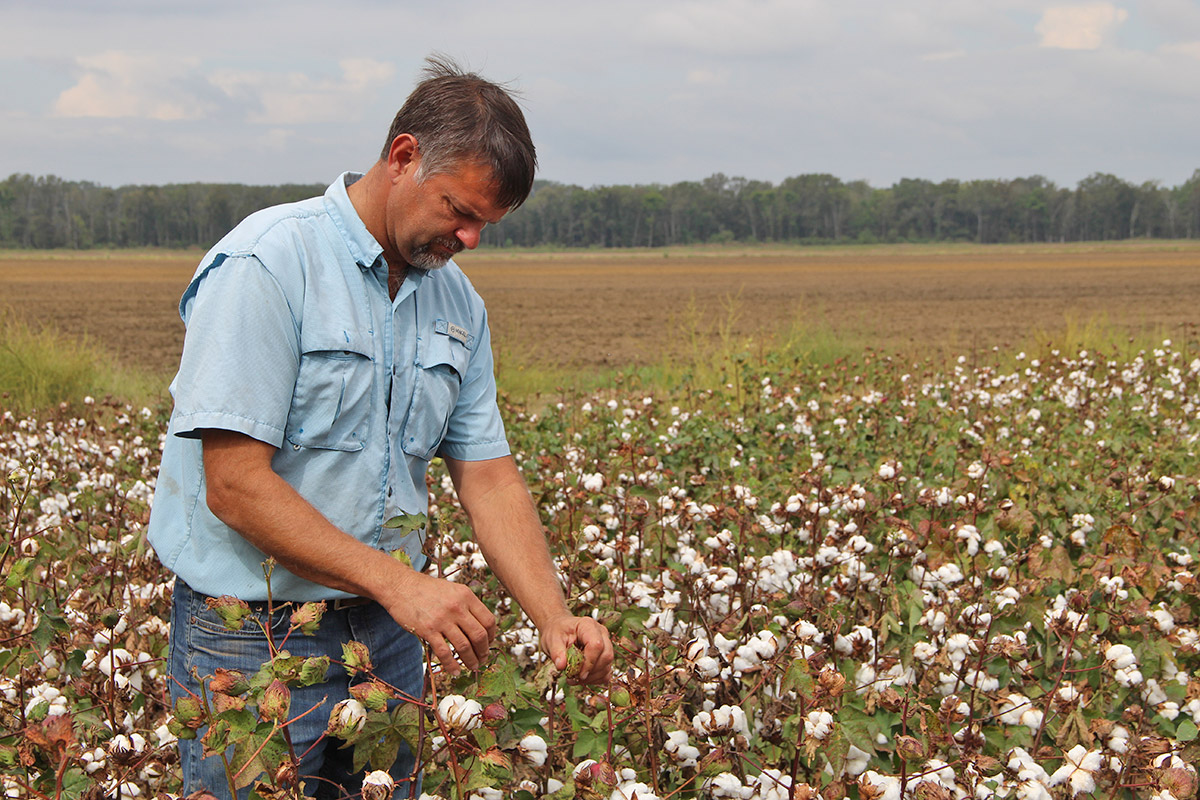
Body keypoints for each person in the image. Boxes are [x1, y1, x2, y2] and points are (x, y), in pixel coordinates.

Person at [147, 55, 613, 799]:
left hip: (387, 637)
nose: (470, 239)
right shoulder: (269, 264)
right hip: (252, 637)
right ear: (402, 157)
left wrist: (553, 616)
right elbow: (233, 485)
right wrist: (402, 584)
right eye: (459, 210)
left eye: (486, 224)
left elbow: (489, 476)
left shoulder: (457, 304)